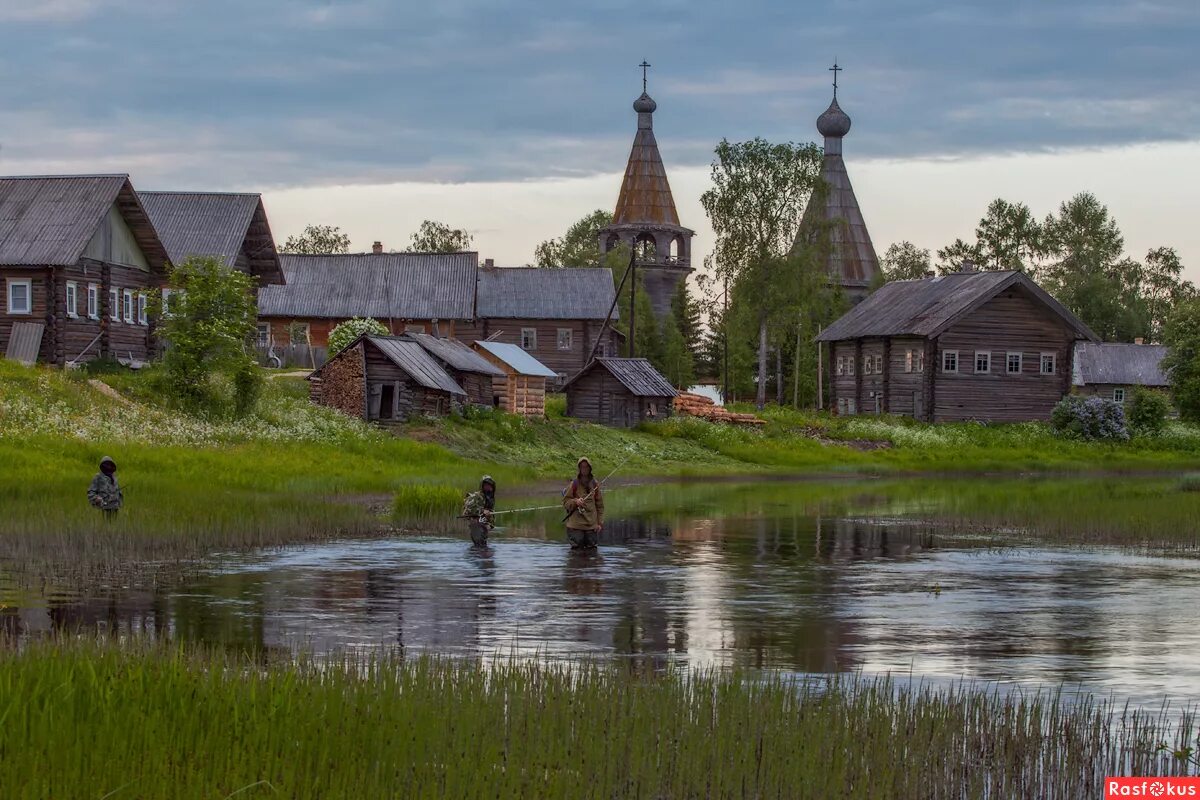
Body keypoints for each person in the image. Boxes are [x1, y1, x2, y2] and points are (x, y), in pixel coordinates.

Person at [563, 457, 604, 549]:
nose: (584, 469)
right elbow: (566, 502)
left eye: (586, 467)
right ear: (579, 469)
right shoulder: (574, 484)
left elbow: (600, 506)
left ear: (590, 468)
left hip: (592, 526)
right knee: (576, 554)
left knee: (592, 552)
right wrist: (575, 502)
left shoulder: (595, 484)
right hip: (575, 526)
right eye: (582, 467)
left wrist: (600, 523)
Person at [462, 475, 497, 547]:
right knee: (479, 547)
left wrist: (490, 525)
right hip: (476, 526)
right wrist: (482, 511)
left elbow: (491, 513)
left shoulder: (490, 498)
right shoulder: (476, 496)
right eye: (486, 485)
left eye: (490, 485)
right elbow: (469, 509)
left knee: (483, 547)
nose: (488, 487)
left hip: (484, 526)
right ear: (482, 485)